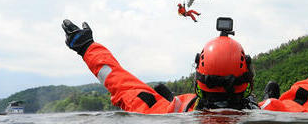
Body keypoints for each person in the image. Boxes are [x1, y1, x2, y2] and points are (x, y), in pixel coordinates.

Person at [62, 17, 259, 114]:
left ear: (199, 79)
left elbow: (122, 85)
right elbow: (292, 97)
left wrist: (86, 47)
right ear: (247, 79)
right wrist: (270, 100)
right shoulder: (273, 108)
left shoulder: (170, 110)